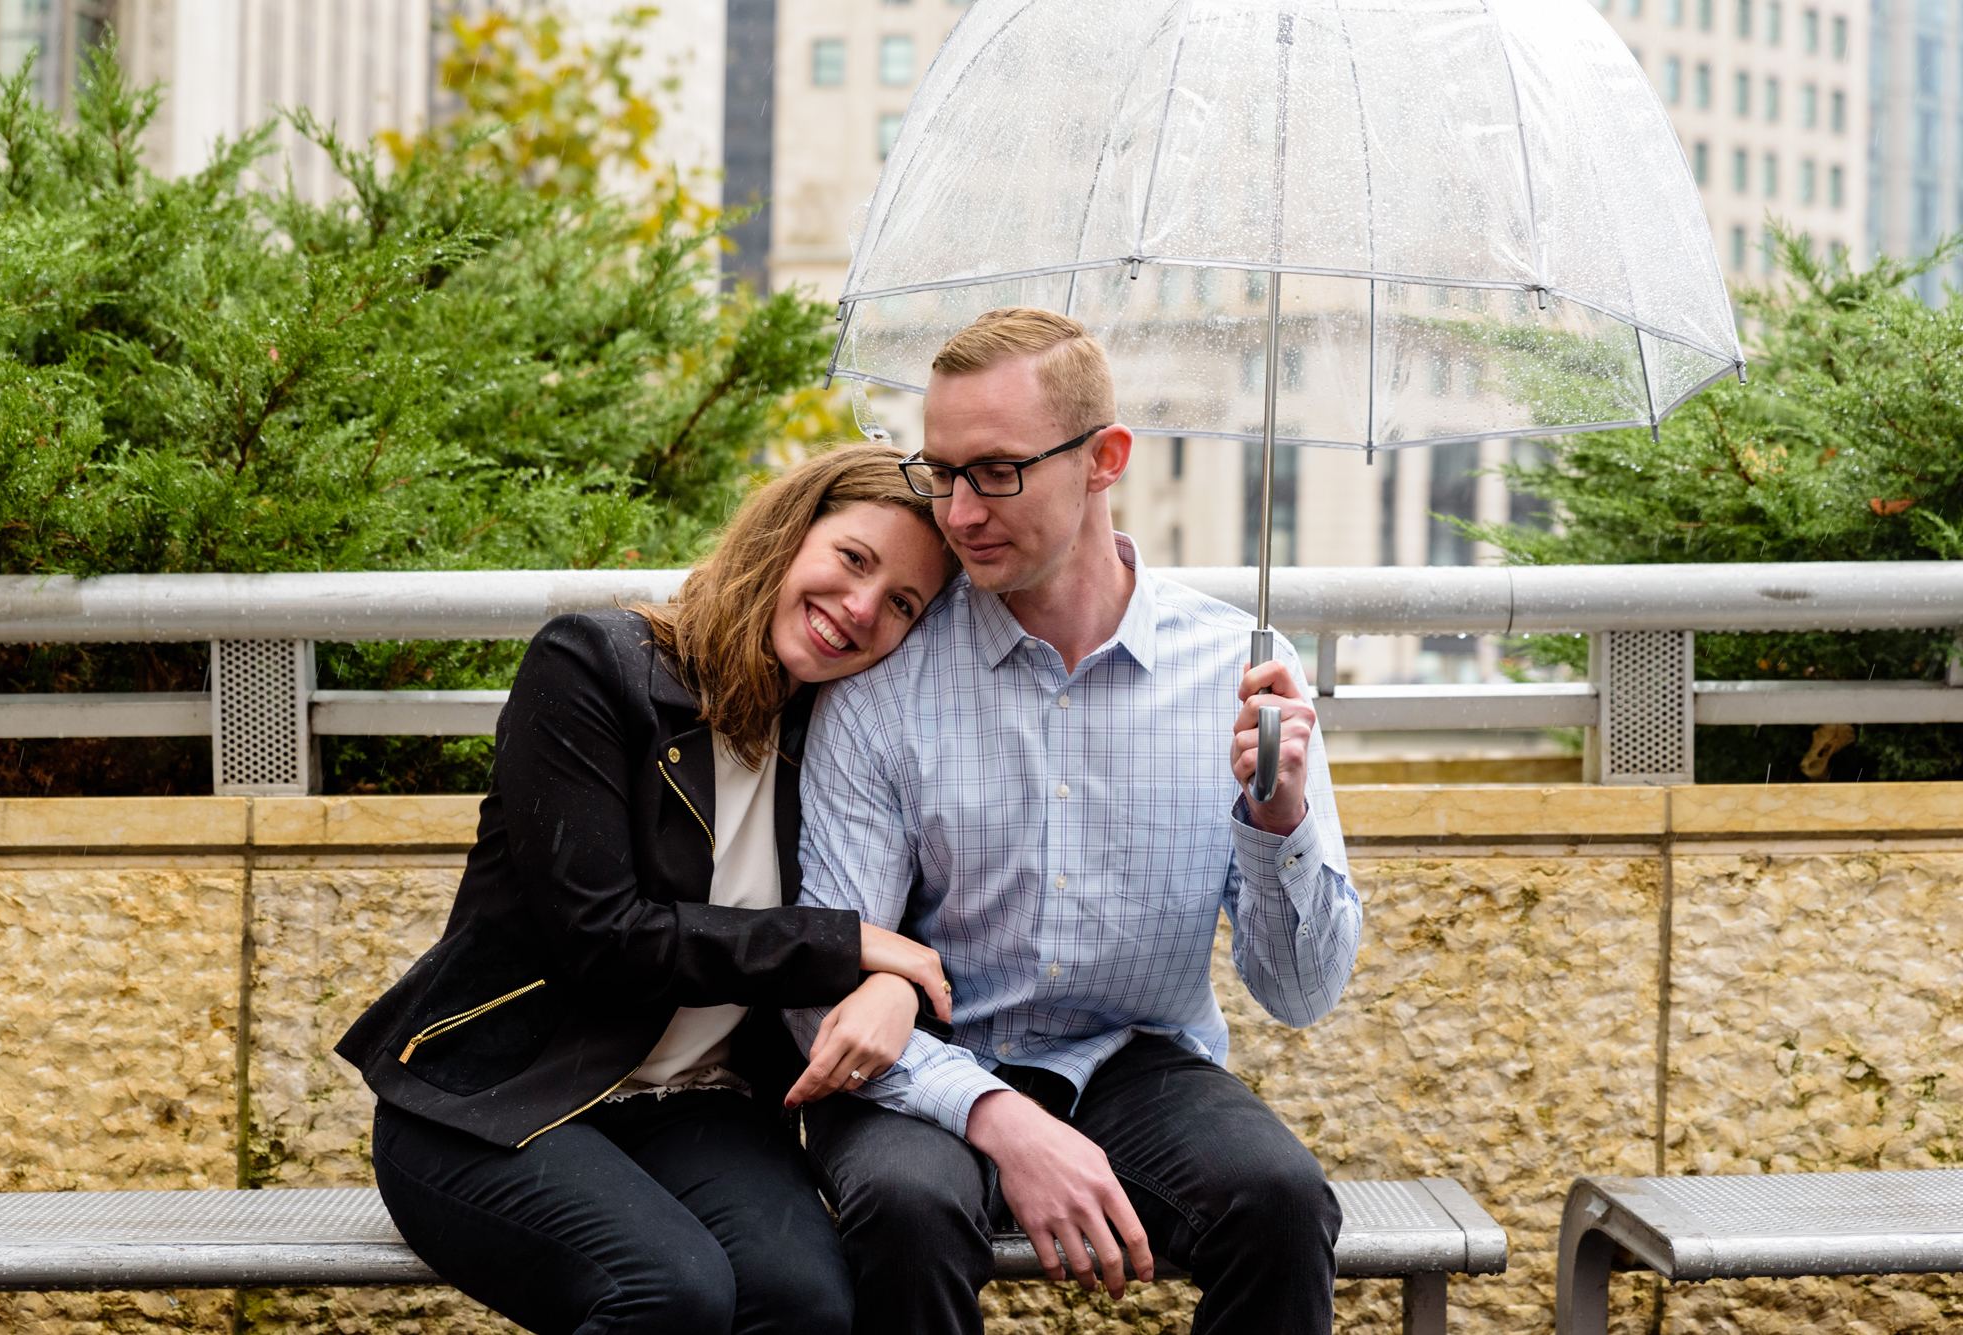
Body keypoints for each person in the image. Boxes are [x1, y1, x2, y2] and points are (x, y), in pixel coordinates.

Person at [782, 309, 1364, 1335]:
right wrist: (993, 1114)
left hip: (1134, 1055)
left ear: (1104, 459)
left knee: (1277, 1204)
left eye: (997, 471)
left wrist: (1275, 819)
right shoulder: (883, 685)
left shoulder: (1241, 673)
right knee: (907, 1211)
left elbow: (1298, 992)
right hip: (925, 1057)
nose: (959, 514)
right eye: (940, 471)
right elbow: (823, 981)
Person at [336, 444, 961, 1335]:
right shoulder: (593, 667)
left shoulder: (837, 737)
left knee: (810, 1304)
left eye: (904, 603)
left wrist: (891, 974)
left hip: (698, 1106)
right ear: (788, 533)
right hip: (496, 1101)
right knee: (670, 1292)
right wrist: (842, 942)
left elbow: (914, 932)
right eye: (853, 559)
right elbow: (603, 939)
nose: (860, 609)